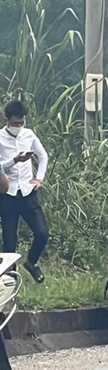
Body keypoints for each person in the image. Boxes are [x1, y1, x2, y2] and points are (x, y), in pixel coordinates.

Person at [0, 100, 50, 283]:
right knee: (9, 243)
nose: (18, 126)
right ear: (7, 120)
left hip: (28, 192)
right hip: (8, 195)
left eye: (21, 123)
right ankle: (9, 280)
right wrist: (14, 160)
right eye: (15, 123)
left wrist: (40, 178)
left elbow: (43, 155)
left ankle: (31, 263)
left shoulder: (28, 135)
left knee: (42, 233)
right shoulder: (0, 138)